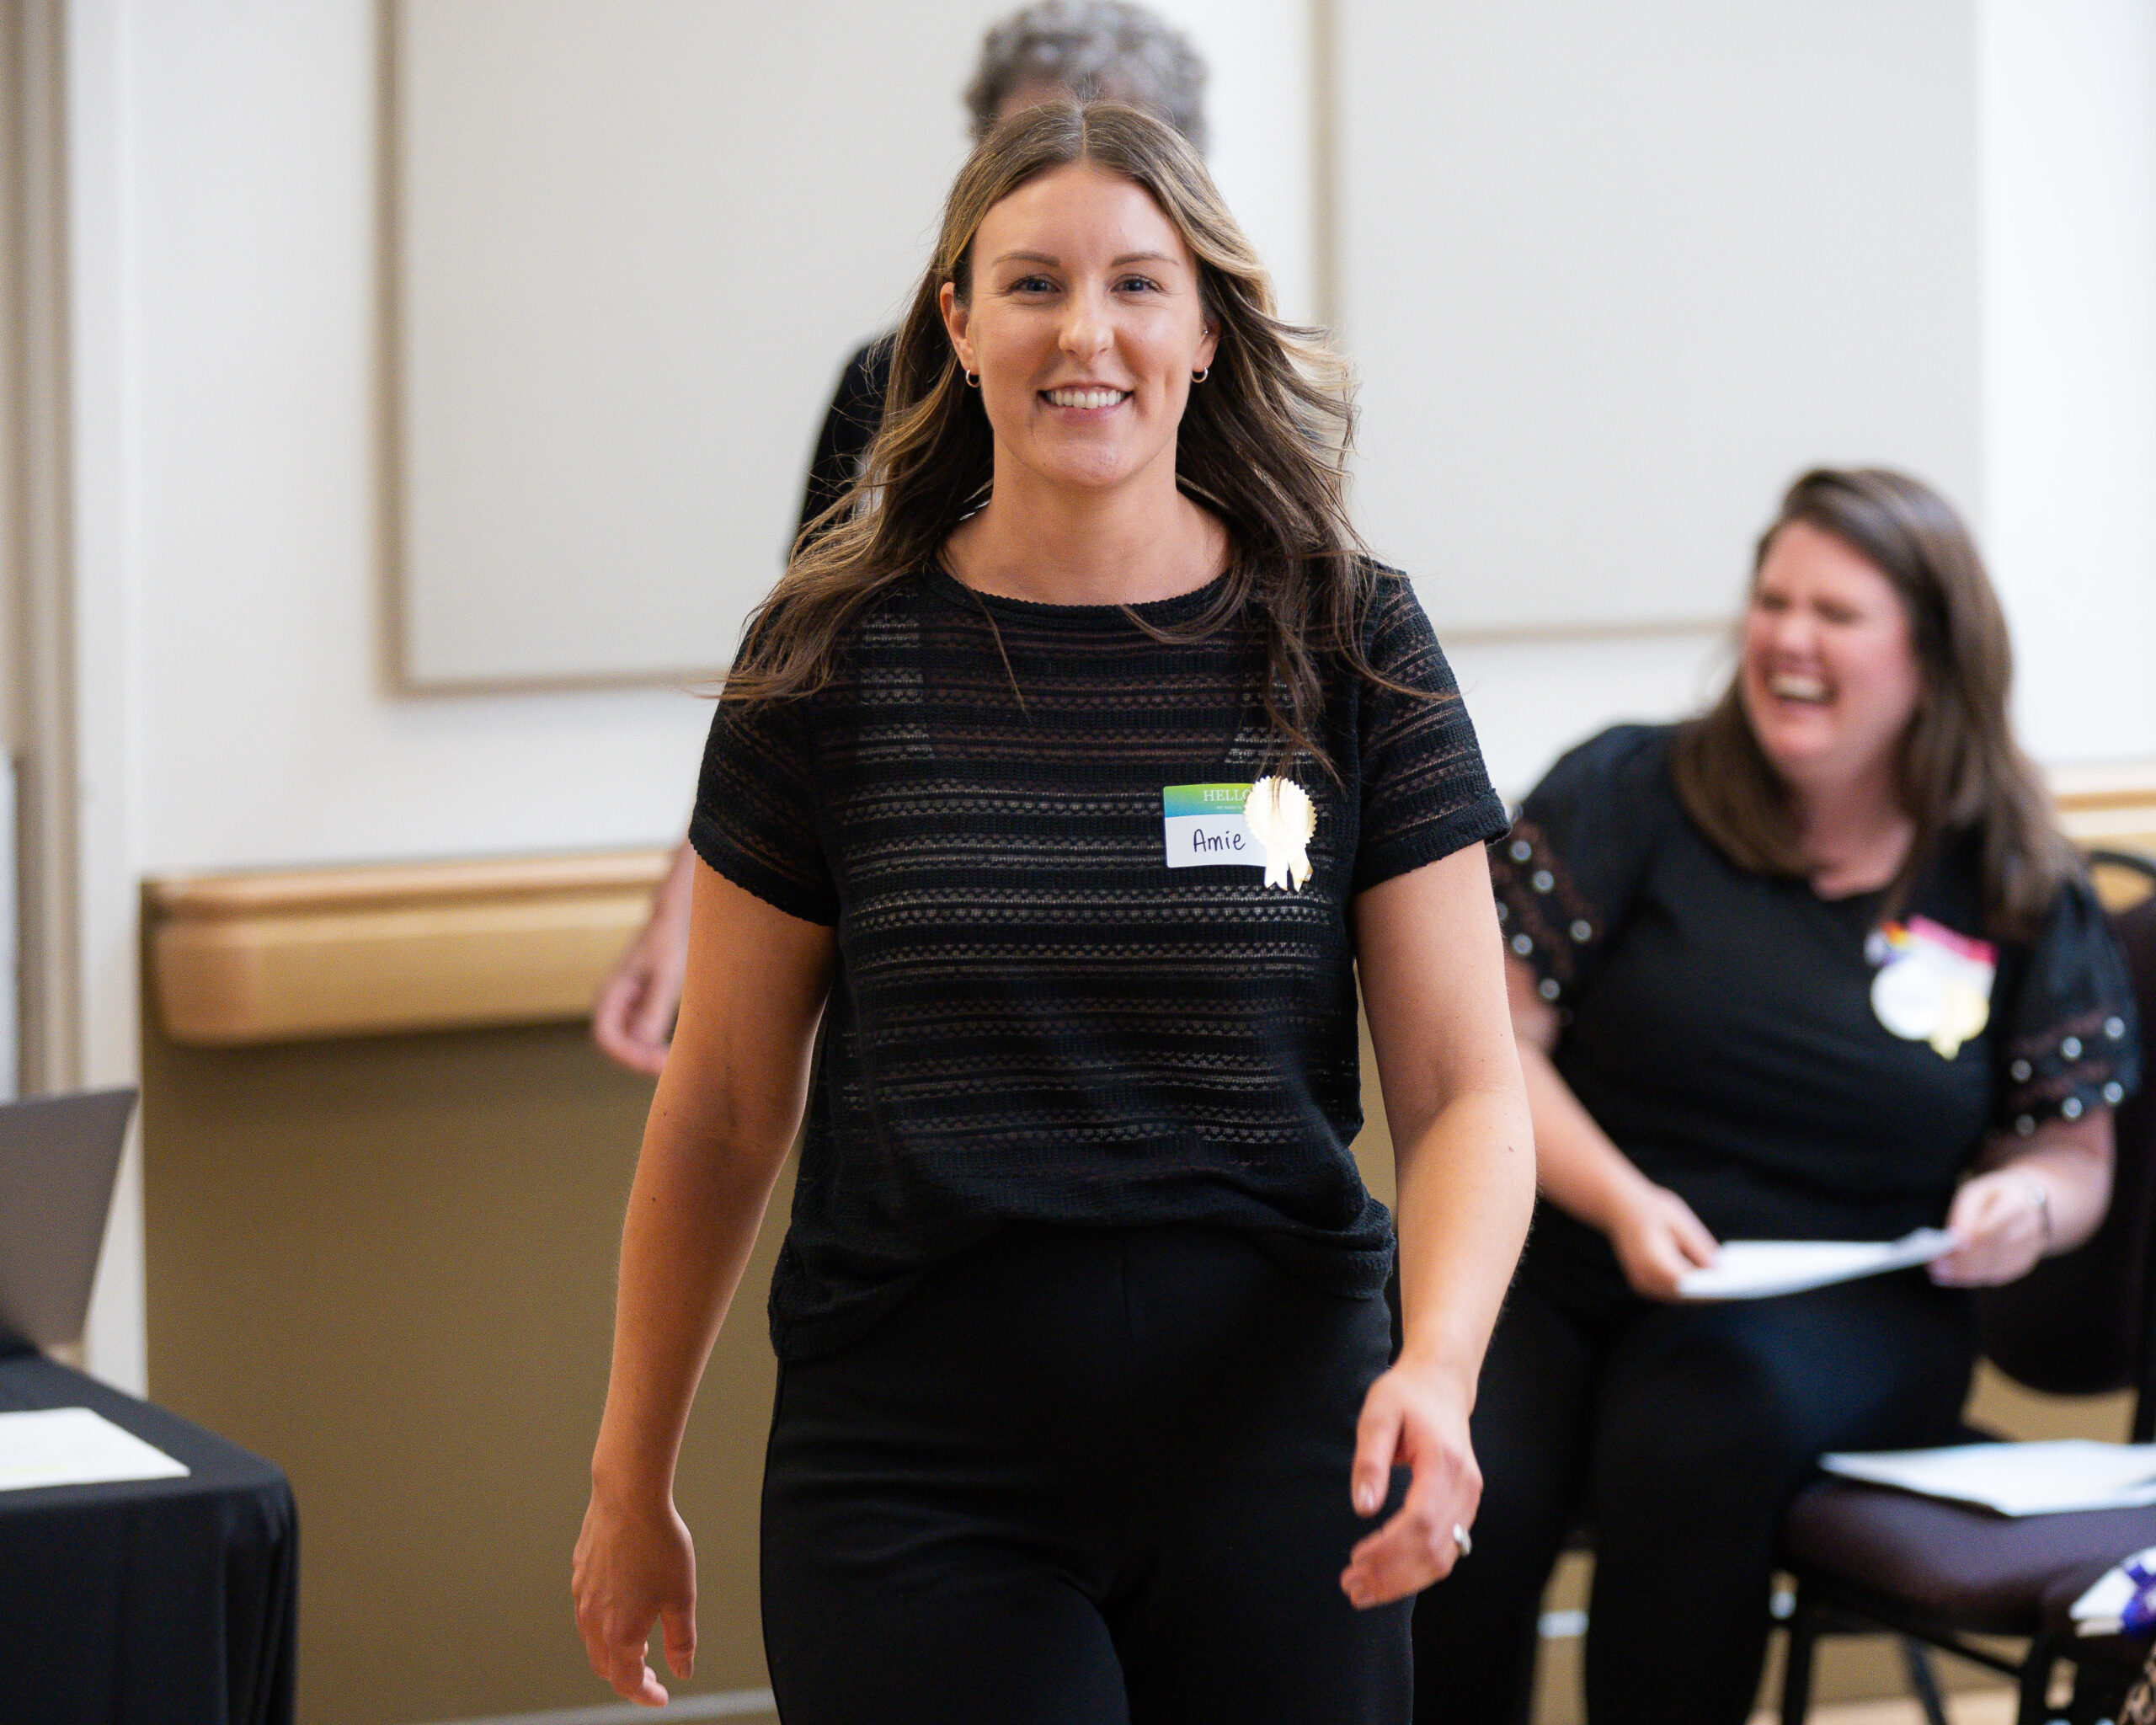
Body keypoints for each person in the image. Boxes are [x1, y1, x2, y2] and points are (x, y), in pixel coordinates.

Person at [570, 100, 1534, 1722]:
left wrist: (1436, 1366)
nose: (1086, 333)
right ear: (953, 325)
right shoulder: (828, 659)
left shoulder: (1350, 640)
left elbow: (1461, 1090)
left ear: (1208, 328)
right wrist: (626, 1471)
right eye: (1032, 284)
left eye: (1139, 286)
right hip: (920, 1462)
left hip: (1284, 1438)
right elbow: (727, 1103)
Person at [1411, 467, 2143, 1724]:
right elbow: (1497, 1052)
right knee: (1459, 1422)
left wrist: (2026, 1205)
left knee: (1700, 1417)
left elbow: (2072, 1157)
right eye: (1772, 601)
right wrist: (1626, 1202)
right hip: (1576, 1247)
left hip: (1845, 1301)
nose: (1789, 640)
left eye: (1837, 614)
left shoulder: (2013, 874)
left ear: (1933, 655)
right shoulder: (1631, 790)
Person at [592, 0, 1209, 1077]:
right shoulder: (885, 382)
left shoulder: (1220, 401)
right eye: (1026, 152)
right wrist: (686, 900)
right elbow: (786, 680)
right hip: (934, 911)